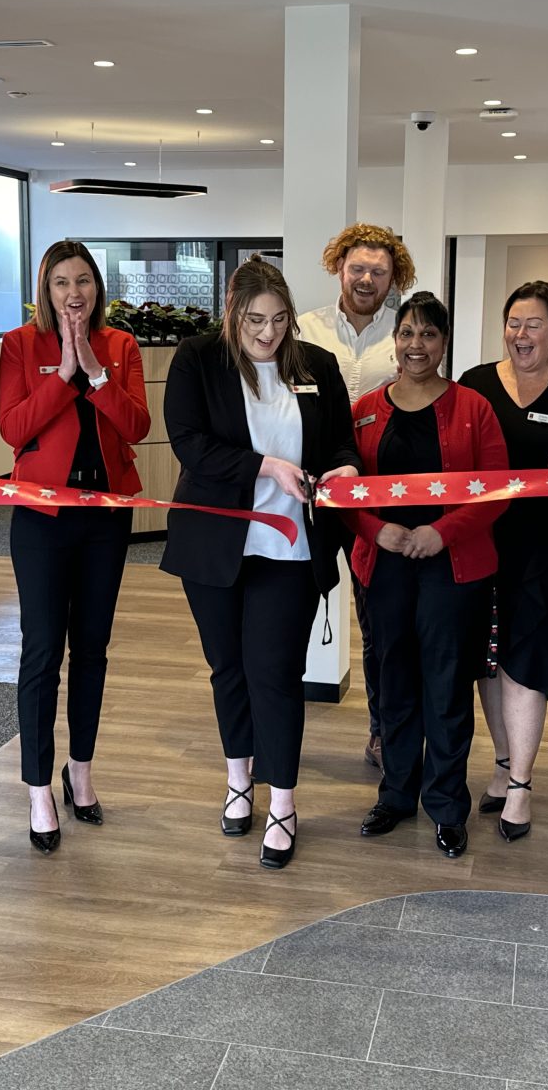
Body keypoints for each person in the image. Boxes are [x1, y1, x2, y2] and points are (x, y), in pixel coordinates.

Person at [161, 256, 359, 870]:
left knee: (274, 673)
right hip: (217, 544)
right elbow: (189, 442)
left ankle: (284, 802)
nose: (267, 334)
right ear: (231, 314)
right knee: (228, 669)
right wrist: (265, 466)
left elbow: (343, 443)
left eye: (278, 320)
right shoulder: (198, 359)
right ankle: (238, 780)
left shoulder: (317, 367)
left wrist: (347, 467)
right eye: (254, 321)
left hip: (290, 549)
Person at [0, 242, 150, 854]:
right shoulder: (19, 345)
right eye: (60, 282)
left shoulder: (120, 345)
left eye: (82, 280)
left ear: (97, 287)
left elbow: (136, 426)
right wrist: (63, 374)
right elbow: (13, 428)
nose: (73, 293)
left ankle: (79, 770)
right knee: (41, 651)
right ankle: (38, 785)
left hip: (105, 517)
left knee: (91, 648)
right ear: (45, 289)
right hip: (41, 515)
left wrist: (93, 366)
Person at [348, 292, 507, 859]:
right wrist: (375, 530)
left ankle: (446, 805)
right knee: (393, 684)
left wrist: (443, 532)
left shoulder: (474, 407)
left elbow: (495, 489)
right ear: (395, 339)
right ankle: (395, 795)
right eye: (407, 333)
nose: (416, 346)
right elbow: (344, 490)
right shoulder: (366, 409)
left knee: (444, 688)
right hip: (385, 564)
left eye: (429, 335)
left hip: (452, 565)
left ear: (445, 341)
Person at [458, 282, 548, 842]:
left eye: (534, 324)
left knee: (526, 656)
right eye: (513, 322)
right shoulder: (476, 383)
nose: (521, 334)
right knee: (486, 659)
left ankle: (521, 785)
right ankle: (499, 764)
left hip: (547, 548)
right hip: (480, 542)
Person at [297, 223, 417, 771]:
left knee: (379, 625)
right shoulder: (303, 329)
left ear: (395, 278)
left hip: (379, 503)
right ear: (338, 267)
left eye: (379, 271)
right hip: (313, 499)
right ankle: (277, 730)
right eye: (358, 268)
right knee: (292, 612)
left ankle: (382, 731)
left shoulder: (406, 333)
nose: (367, 279)